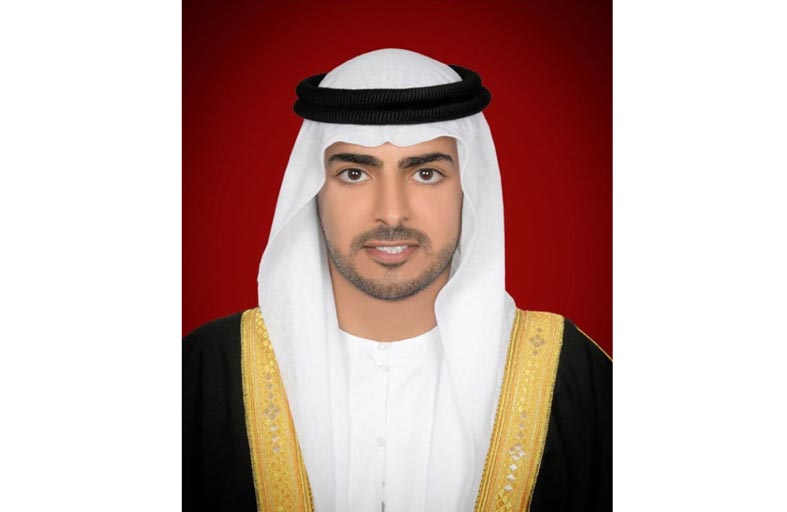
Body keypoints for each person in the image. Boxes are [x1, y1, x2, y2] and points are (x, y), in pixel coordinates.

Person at [183, 49, 611, 512]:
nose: (391, 212)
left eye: (426, 174)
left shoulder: (572, 374)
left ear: (468, 188)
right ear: (313, 191)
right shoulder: (204, 372)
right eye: (354, 173)